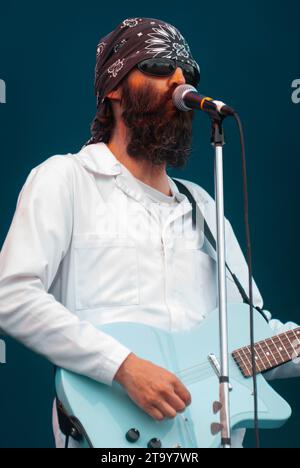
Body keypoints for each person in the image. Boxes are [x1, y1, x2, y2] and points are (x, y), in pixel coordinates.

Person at [0, 17, 299, 449]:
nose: (180, 81)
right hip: (114, 436)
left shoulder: (204, 207)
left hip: (209, 437)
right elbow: (11, 293)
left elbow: (253, 336)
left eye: (188, 72)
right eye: (160, 67)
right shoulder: (64, 179)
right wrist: (123, 366)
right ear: (114, 87)